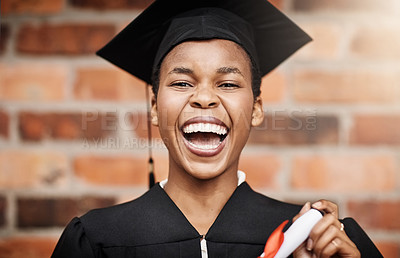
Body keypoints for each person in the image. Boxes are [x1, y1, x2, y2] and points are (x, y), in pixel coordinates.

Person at [52, 0, 382, 257]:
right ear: (154, 108)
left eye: (227, 83)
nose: (205, 98)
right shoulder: (97, 241)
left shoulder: (314, 240)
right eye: (182, 82)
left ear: (255, 108)